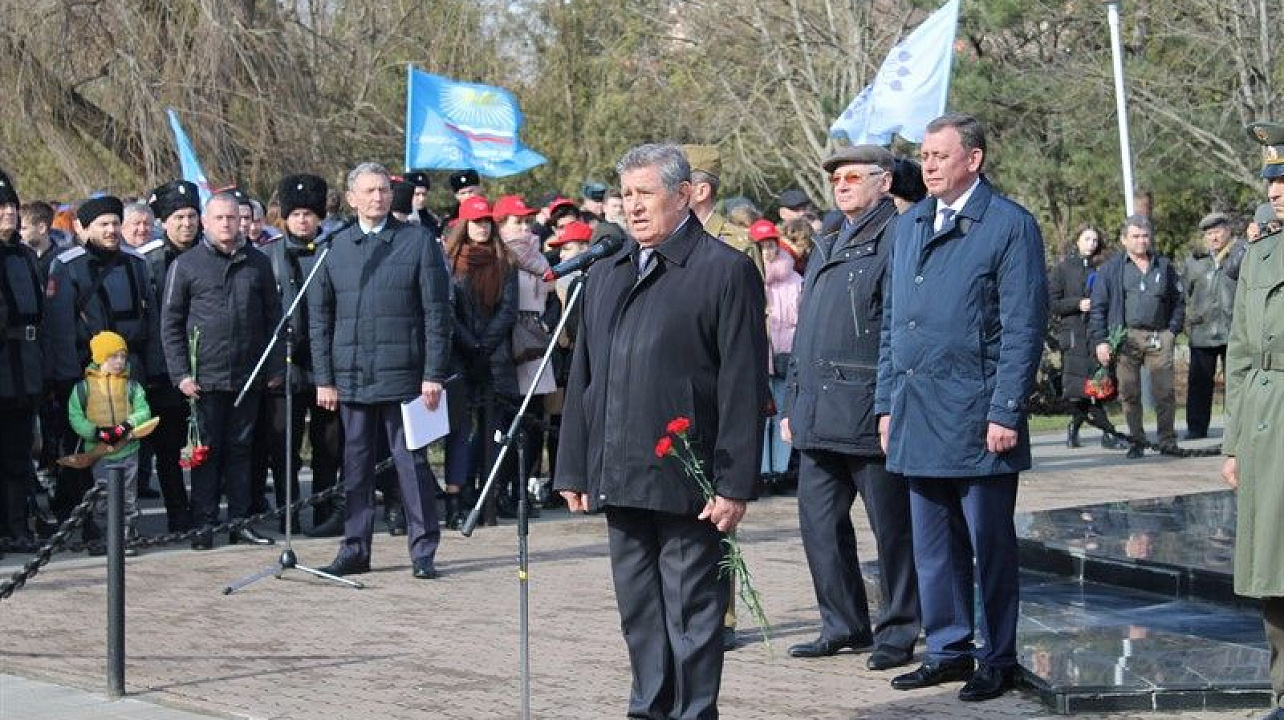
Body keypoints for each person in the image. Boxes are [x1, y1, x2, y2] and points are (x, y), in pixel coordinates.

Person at [554, 143, 769, 720]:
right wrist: (574, 466)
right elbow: (585, 378)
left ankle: (693, 712)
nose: (633, 206)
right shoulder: (607, 271)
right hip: (621, 473)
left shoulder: (724, 271)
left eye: (645, 193)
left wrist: (734, 484)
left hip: (688, 481)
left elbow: (743, 386)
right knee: (640, 613)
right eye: (626, 194)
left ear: (683, 195)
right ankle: (647, 708)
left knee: (692, 614)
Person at [876, 112, 1048, 701]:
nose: (927, 166)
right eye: (924, 156)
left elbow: (1023, 327)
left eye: (939, 156)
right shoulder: (910, 225)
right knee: (931, 546)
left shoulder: (1008, 225)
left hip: (978, 413)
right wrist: (885, 403)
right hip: (917, 408)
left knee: (988, 546)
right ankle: (947, 649)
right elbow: (893, 324)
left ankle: (996, 656)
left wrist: (1006, 409)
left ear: (973, 160)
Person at [782, 145, 920, 673]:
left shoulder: (899, 235)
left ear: (884, 182)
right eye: (836, 179)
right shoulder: (829, 237)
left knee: (893, 530)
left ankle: (899, 629)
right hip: (817, 411)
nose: (841, 185)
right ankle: (842, 624)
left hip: (867, 408)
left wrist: (889, 404)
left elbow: (897, 329)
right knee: (819, 526)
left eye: (853, 177)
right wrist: (792, 401)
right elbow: (808, 329)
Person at [309, 162, 451, 580]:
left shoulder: (417, 242)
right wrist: (324, 378)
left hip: (405, 376)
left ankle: (423, 550)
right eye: (369, 191)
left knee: (412, 466)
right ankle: (355, 548)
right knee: (355, 466)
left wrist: (433, 373)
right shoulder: (333, 247)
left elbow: (437, 314)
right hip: (352, 376)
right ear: (351, 198)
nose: (378, 197)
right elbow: (319, 320)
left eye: (384, 190)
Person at [162, 191, 283, 550]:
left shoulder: (258, 263)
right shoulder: (186, 265)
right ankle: (204, 523)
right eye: (219, 218)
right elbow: (171, 324)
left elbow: (274, 318)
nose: (227, 224)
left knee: (242, 451)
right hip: (204, 379)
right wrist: (181, 375)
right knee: (207, 452)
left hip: (248, 377)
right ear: (205, 222)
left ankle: (241, 522)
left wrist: (274, 366)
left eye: (232, 218)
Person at [45, 195, 160, 538]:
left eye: (114, 223)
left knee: (128, 449)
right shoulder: (67, 265)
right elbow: (60, 327)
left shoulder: (136, 262)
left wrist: (154, 370)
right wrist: (67, 378)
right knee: (88, 450)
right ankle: (91, 525)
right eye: (103, 224)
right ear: (85, 227)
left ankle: (124, 524)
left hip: (130, 372)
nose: (110, 230)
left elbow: (151, 319)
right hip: (87, 374)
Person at [1223, 120, 1284, 720]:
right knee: (1271, 562)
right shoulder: (1260, 254)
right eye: (1272, 180)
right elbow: (1241, 353)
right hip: (1267, 420)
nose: (1276, 191)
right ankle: (1283, 690)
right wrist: (1234, 443)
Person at [257, 174, 344, 537]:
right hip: (284, 366)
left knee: (329, 446)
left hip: (328, 366)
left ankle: (324, 512)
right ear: (285, 217)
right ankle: (288, 513)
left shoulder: (335, 251)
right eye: (296, 214)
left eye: (309, 213)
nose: (303, 220)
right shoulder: (268, 256)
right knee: (284, 447)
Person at [441, 196, 519, 527]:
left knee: (493, 432)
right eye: (476, 222)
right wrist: (468, 343)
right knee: (458, 431)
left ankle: (488, 497)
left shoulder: (506, 261)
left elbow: (508, 310)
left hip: (494, 357)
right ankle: (456, 498)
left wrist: (484, 345)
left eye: (486, 221)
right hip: (459, 356)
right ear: (464, 225)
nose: (482, 227)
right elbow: (446, 309)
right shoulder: (449, 262)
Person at [1088, 214, 1185, 458]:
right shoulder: (1111, 270)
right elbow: (1098, 307)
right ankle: (1137, 441)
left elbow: (1179, 301)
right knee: (1129, 392)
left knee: (1164, 392)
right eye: (1136, 236)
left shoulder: (1164, 266)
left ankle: (1167, 440)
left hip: (1159, 337)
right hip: (1125, 338)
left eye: (1145, 236)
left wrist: (1172, 331)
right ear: (1124, 240)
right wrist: (1101, 341)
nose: (1141, 241)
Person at [140, 180, 201, 532]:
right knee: (168, 447)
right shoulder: (147, 262)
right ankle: (178, 511)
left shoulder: (210, 253)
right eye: (179, 217)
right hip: (163, 369)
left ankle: (204, 508)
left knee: (204, 444)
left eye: (192, 216)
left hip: (206, 365)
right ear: (164, 221)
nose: (186, 224)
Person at [0, 169, 52, 553]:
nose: (8, 213)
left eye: (11, 206)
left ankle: (17, 526)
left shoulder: (26, 256)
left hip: (25, 367)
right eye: (1, 207)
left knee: (18, 455)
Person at [67, 331, 152, 556]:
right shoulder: (83, 388)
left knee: (128, 497)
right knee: (102, 498)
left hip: (128, 449)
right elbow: (76, 416)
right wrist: (95, 432)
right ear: (100, 358)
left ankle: (126, 536)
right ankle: (105, 537)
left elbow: (143, 410)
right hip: (99, 452)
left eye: (123, 356)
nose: (119, 361)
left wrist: (128, 425)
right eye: (113, 356)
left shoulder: (131, 386)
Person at [1049, 224, 1122, 449]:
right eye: (1087, 239)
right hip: (1073, 335)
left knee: (1097, 385)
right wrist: (1077, 304)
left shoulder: (1103, 267)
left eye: (1094, 240)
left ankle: (1077, 428)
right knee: (1081, 388)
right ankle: (1108, 432)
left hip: (1097, 333)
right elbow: (1052, 303)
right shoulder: (1062, 269)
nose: (1091, 244)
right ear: (1077, 241)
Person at [1182, 212, 1245, 440]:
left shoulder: (1241, 255)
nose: (1214, 238)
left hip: (1233, 329)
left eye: (1217, 232)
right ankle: (1196, 427)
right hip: (1202, 331)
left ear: (1228, 231)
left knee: (1236, 383)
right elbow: (1184, 294)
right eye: (1209, 234)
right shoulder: (1194, 261)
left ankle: (1236, 428)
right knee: (1199, 383)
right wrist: (1189, 320)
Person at [751, 219, 799, 485]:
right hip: (759, 357)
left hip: (786, 356)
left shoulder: (795, 281)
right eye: (762, 247)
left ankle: (779, 470)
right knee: (761, 415)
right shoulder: (750, 279)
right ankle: (761, 469)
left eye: (771, 245)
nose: (767, 251)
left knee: (783, 413)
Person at [683, 144, 764, 275]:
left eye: (678, 185)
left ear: (701, 191)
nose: (666, 191)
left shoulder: (737, 246)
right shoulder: (661, 239)